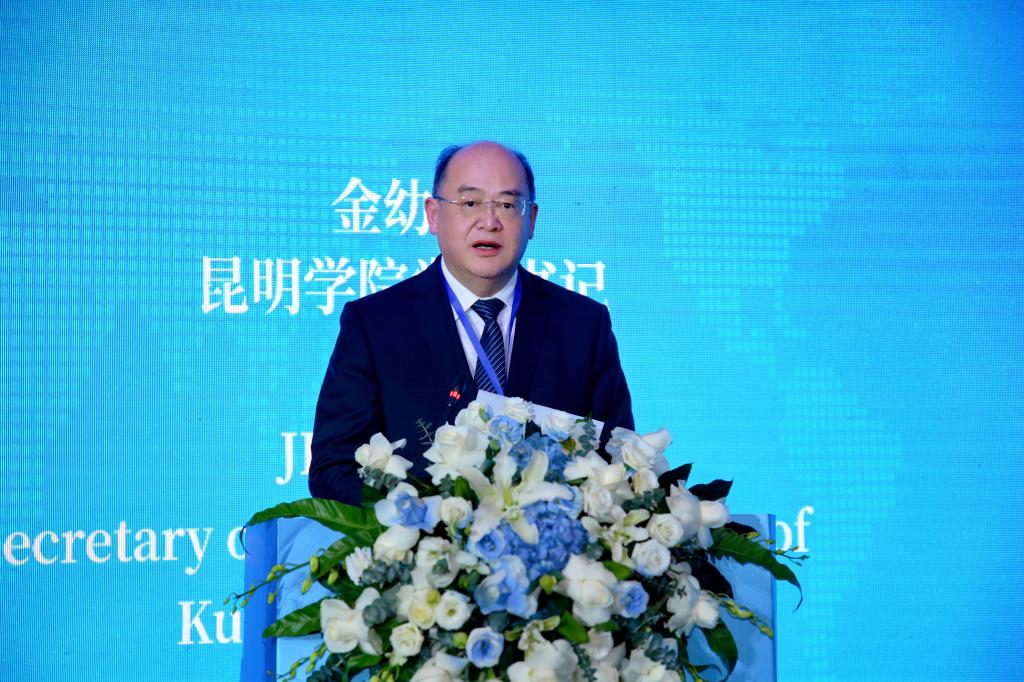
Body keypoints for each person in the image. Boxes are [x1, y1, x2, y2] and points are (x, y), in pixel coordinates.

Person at [309, 141, 633, 504]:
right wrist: (423, 520)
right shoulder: (374, 325)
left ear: (531, 220)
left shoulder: (583, 326)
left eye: (507, 205)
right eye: (470, 203)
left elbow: (617, 462)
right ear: (433, 214)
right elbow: (334, 468)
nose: (489, 221)